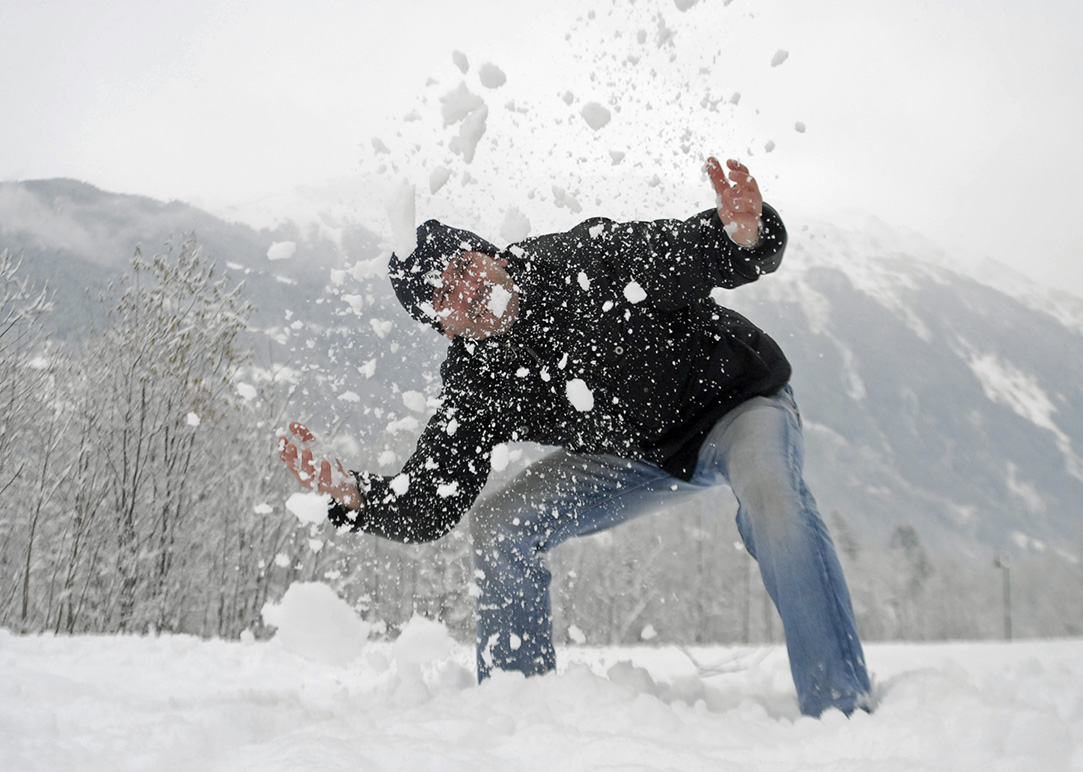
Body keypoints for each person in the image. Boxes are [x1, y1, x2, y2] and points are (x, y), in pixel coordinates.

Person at [279, 156, 871, 717]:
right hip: (639, 456)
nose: (464, 293)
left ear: (487, 254)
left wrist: (742, 236)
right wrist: (351, 493)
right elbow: (433, 500)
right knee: (500, 527)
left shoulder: (582, 260)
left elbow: (687, 251)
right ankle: (520, 707)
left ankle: (838, 704)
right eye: (443, 298)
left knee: (773, 498)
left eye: (462, 269)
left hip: (737, 406)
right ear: (442, 327)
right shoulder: (477, 379)